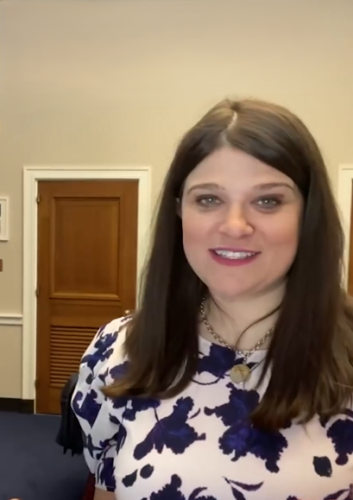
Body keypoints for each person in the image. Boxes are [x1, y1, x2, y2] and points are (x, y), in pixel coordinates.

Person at [72, 98, 353, 500]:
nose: (235, 226)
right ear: (179, 212)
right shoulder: (117, 349)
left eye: (268, 200)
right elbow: (107, 490)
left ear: (308, 215)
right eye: (208, 199)